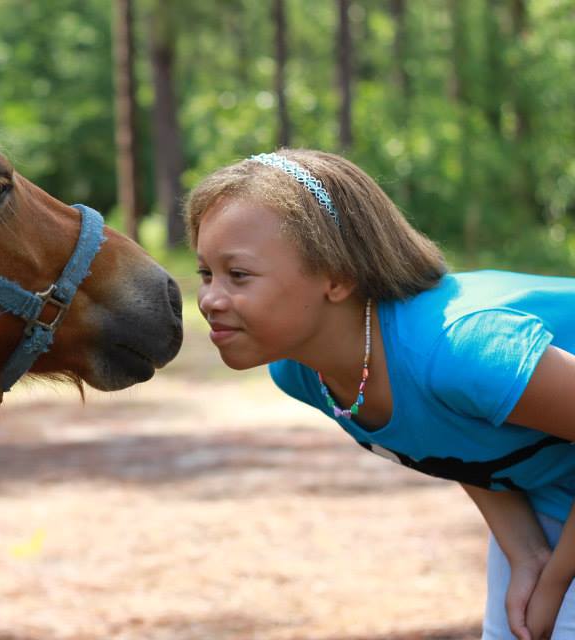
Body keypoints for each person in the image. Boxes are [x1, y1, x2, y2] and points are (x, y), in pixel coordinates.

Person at [186, 149, 575, 640]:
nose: (210, 300)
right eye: (205, 274)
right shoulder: (301, 370)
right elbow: (455, 442)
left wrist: (556, 579)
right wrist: (526, 554)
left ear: (338, 276)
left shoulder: (461, 349)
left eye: (237, 275)